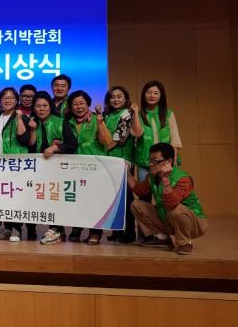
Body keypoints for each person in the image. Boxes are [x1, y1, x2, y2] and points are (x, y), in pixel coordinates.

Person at [127, 142, 206, 255]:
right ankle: (163, 238)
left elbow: (172, 204)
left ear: (169, 161)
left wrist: (165, 179)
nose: (150, 164)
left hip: (194, 224)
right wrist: (126, 173)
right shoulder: (153, 176)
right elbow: (139, 190)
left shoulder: (183, 179)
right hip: (168, 218)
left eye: (155, 161)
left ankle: (184, 243)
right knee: (136, 205)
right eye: (150, 160)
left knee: (176, 210)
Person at [26, 91, 78, 244]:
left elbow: (72, 144)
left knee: (55, 198)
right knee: (37, 199)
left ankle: (56, 230)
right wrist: (32, 130)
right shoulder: (32, 123)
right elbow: (29, 147)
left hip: (58, 169)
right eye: (38, 106)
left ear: (50, 106)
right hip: (37, 169)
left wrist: (55, 148)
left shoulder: (61, 122)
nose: (41, 109)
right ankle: (46, 230)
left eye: (45, 105)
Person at [65, 90, 111, 245]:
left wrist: (100, 122)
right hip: (74, 167)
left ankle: (95, 232)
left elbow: (107, 142)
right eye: (75, 104)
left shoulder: (97, 119)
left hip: (95, 167)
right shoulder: (67, 122)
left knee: (94, 200)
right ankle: (77, 228)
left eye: (82, 103)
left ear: (88, 104)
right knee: (77, 200)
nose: (79, 107)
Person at [101, 85, 143, 243]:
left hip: (122, 160)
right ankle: (117, 230)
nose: (116, 99)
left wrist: (102, 151)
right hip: (111, 160)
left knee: (126, 198)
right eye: (112, 97)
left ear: (126, 99)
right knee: (114, 197)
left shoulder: (127, 113)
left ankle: (130, 232)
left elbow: (120, 138)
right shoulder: (108, 115)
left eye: (119, 96)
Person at [0, 87, 30, 242]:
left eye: (11, 98)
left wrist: (20, 119)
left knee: (17, 197)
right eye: (4, 97)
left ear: (16, 101)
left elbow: (25, 139)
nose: (7, 100)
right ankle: (8, 227)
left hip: (17, 164)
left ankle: (16, 228)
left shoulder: (21, 117)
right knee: (5, 197)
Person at [135, 80, 182, 183]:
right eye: (149, 92)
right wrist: (135, 113)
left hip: (165, 162)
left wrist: (173, 162)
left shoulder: (168, 114)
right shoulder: (138, 115)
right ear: (143, 95)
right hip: (145, 163)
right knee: (144, 192)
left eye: (156, 93)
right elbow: (136, 134)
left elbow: (175, 140)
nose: (152, 95)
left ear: (161, 96)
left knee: (166, 190)